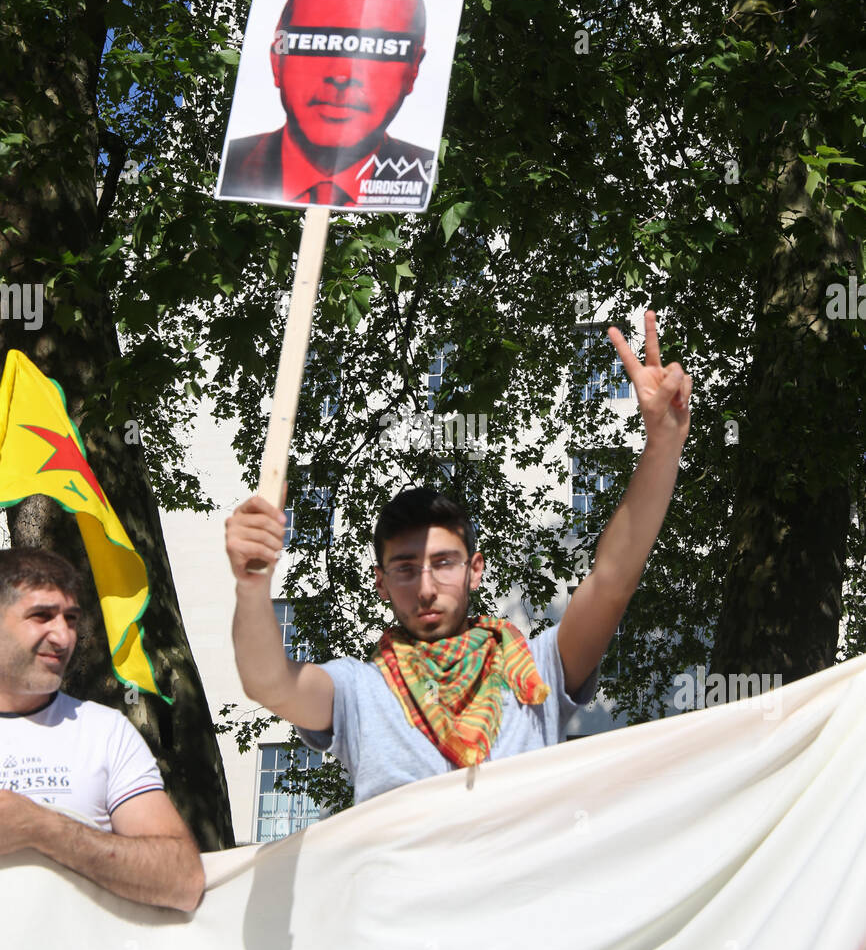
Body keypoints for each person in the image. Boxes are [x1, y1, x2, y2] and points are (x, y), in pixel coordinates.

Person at [225, 312, 692, 807]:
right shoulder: (359, 690)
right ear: (380, 583)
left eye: (443, 563)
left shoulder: (537, 670)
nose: (425, 587)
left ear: (475, 568)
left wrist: (663, 443)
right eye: (405, 569)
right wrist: (252, 587)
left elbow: (612, 580)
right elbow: (271, 684)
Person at [0, 549, 204, 912]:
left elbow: (182, 880)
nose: (63, 637)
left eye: (71, 619)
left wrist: (42, 828)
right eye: (42, 616)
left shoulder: (104, 731)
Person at [219, 0, 436, 210]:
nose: (342, 74)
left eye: (376, 49)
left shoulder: (426, 179)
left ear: (414, 69)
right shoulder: (229, 167)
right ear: (277, 61)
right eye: (319, 42)